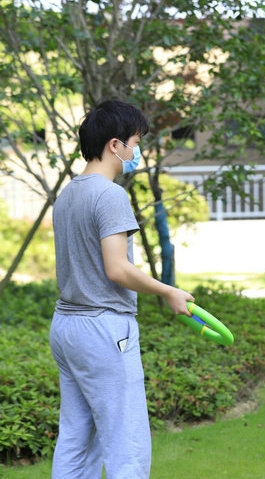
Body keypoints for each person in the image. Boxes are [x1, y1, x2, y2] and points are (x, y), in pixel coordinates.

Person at [50, 99, 194, 478]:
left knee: (76, 440)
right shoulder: (110, 195)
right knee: (126, 442)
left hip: (66, 327)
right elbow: (117, 268)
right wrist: (167, 291)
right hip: (104, 330)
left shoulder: (66, 196)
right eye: (135, 140)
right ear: (115, 145)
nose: (137, 150)